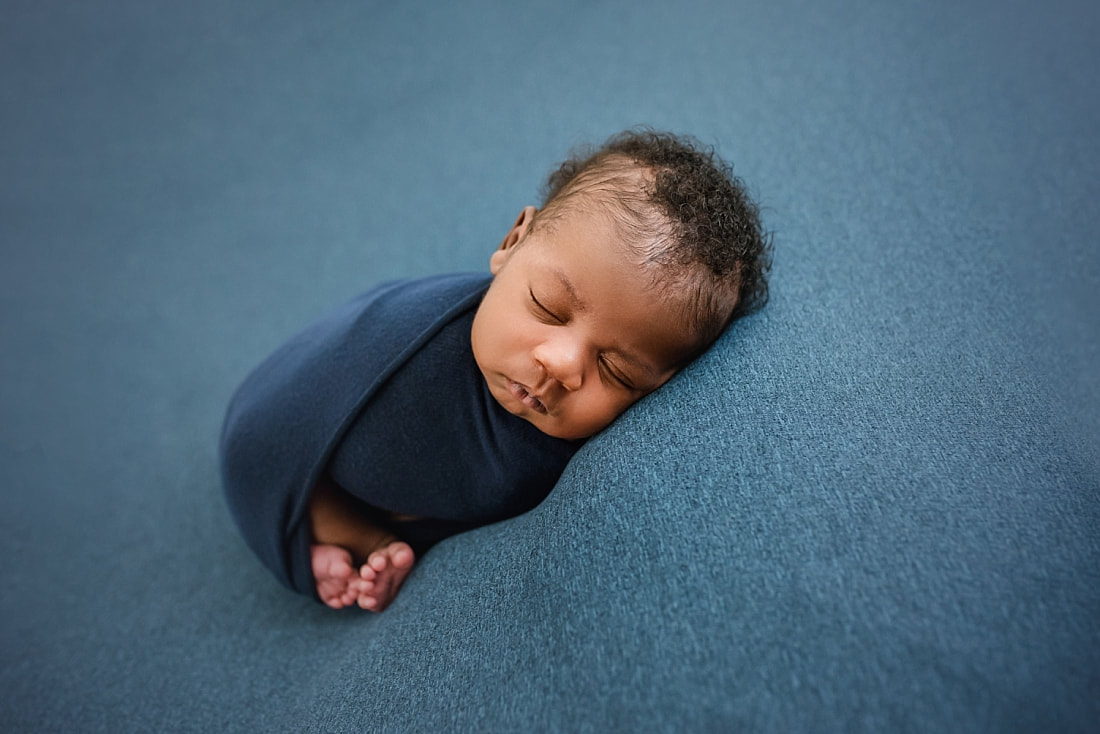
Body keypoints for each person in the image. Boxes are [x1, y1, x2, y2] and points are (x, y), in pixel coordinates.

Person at [220, 129, 772, 612]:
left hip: (418, 489)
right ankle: (336, 521)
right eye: (548, 308)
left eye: (617, 371)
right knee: (261, 452)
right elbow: (260, 427)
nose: (561, 365)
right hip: (299, 419)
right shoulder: (409, 343)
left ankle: (376, 532)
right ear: (511, 245)